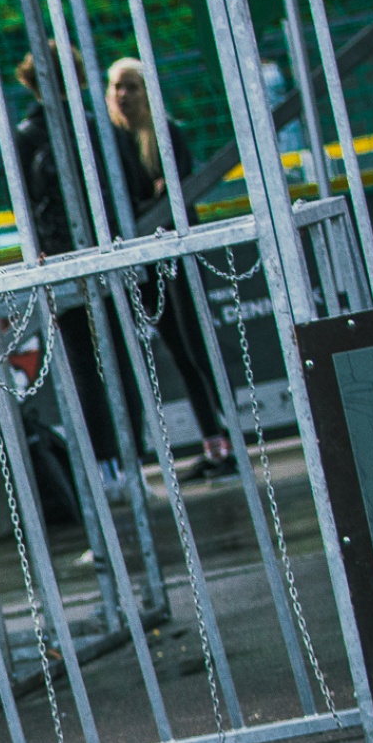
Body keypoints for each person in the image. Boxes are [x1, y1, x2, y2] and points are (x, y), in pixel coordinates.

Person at [12, 46, 144, 498]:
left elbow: (24, 204)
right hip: (106, 253)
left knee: (85, 366)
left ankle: (107, 466)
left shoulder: (27, 135)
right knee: (119, 360)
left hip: (61, 260)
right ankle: (130, 462)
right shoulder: (97, 128)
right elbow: (130, 187)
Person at [104, 58, 236, 481]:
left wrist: (149, 202)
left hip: (177, 249)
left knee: (198, 346)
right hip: (143, 257)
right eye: (117, 87)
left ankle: (229, 440)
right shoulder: (110, 140)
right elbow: (126, 202)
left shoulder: (165, 132)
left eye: (132, 87)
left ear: (146, 92)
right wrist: (149, 200)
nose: (123, 95)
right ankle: (214, 443)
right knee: (178, 351)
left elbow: (174, 193)